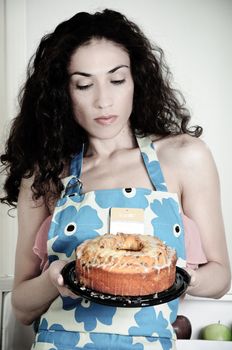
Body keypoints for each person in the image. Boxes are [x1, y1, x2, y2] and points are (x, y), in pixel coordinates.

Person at [0, 8, 231, 350]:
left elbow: (220, 276)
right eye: (84, 84)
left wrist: (178, 276)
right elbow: (20, 306)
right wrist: (53, 278)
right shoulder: (45, 172)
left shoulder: (185, 157)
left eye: (117, 79)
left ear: (137, 80)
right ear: (63, 92)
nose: (103, 100)